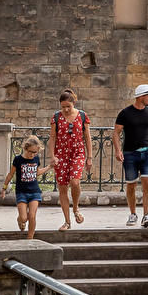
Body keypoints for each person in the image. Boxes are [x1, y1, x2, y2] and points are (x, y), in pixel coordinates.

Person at [114, 84, 148, 227]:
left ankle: (146, 216)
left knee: (147, 182)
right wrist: (118, 150)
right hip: (130, 154)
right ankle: (133, 214)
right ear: (140, 96)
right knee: (131, 185)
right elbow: (116, 133)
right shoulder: (125, 113)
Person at [51, 89, 90, 231]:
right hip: (60, 155)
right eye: (63, 107)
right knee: (62, 187)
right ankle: (67, 221)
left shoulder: (82, 116)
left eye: (69, 106)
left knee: (75, 182)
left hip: (78, 153)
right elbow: (52, 138)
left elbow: (87, 138)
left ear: (74, 103)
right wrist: (52, 156)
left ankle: (76, 208)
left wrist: (89, 157)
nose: (66, 109)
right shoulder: (56, 117)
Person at [2, 136, 45, 239]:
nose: (33, 155)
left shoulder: (36, 158)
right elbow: (11, 174)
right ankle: (19, 219)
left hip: (34, 191)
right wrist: (4, 188)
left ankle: (30, 239)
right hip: (21, 192)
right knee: (24, 218)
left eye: (35, 152)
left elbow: (37, 173)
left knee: (32, 216)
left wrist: (49, 167)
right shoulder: (18, 159)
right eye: (31, 152)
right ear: (25, 149)